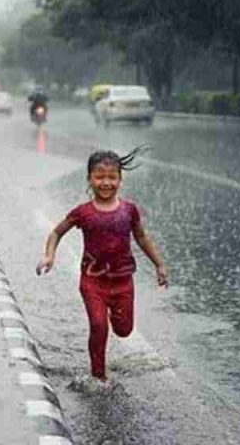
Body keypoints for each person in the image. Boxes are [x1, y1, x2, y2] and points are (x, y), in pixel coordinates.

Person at [36, 148, 168, 383]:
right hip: (92, 282)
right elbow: (56, 233)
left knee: (124, 330)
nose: (106, 182)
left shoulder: (129, 210)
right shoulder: (83, 213)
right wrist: (49, 256)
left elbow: (141, 237)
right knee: (98, 325)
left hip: (123, 282)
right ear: (89, 179)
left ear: (120, 179)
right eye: (99, 177)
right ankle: (98, 377)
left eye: (111, 177)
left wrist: (159, 265)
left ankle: (112, 320)